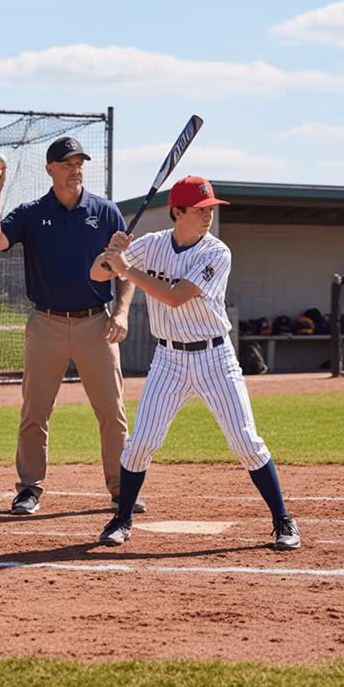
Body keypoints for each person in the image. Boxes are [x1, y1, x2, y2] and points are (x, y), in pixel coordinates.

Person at [91, 175, 300, 550]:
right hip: (168, 359)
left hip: (215, 359)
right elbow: (96, 273)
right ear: (177, 212)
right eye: (200, 210)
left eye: (210, 209)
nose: (207, 216)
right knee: (140, 444)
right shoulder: (152, 245)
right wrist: (110, 253)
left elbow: (175, 297)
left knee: (246, 442)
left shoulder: (217, 253)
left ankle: (283, 520)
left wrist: (124, 267)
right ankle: (121, 520)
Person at [0, 136, 145, 516]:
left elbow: (126, 272)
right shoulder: (32, 213)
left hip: (96, 324)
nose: (75, 169)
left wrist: (120, 313)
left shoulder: (105, 212)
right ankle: (29, 489)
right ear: (51, 169)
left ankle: (122, 490)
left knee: (113, 412)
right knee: (35, 411)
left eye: (79, 163)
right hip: (45, 324)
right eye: (67, 164)